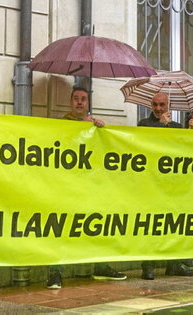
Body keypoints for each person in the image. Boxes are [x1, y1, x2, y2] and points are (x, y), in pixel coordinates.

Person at [46, 87, 127, 289]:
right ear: (70, 102)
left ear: (88, 103)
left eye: (83, 99)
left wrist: (99, 130)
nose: (79, 102)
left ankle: (100, 266)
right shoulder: (63, 124)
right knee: (62, 230)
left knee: (96, 226)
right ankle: (55, 273)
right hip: (67, 186)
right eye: (76, 99)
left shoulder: (93, 125)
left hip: (89, 185)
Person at [138, 92, 193, 279]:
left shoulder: (176, 127)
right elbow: (143, 142)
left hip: (171, 184)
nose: (158, 108)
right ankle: (148, 266)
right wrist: (160, 125)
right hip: (151, 184)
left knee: (173, 225)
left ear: (168, 105)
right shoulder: (143, 124)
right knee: (150, 227)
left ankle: (174, 264)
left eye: (162, 104)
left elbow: (186, 148)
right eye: (155, 104)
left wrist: (192, 131)